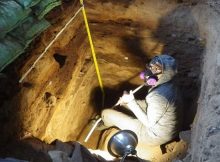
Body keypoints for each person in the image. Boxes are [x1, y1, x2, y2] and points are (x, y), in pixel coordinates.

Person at [101, 54, 183, 146]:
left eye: (156, 69)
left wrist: (131, 102)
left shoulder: (157, 96)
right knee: (124, 104)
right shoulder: (169, 81)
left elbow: (149, 123)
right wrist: (128, 103)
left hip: (154, 135)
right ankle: (124, 107)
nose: (149, 72)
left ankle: (103, 122)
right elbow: (153, 105)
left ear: (164, 73)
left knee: (106, 113)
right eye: (151, 67)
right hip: (168, 124)